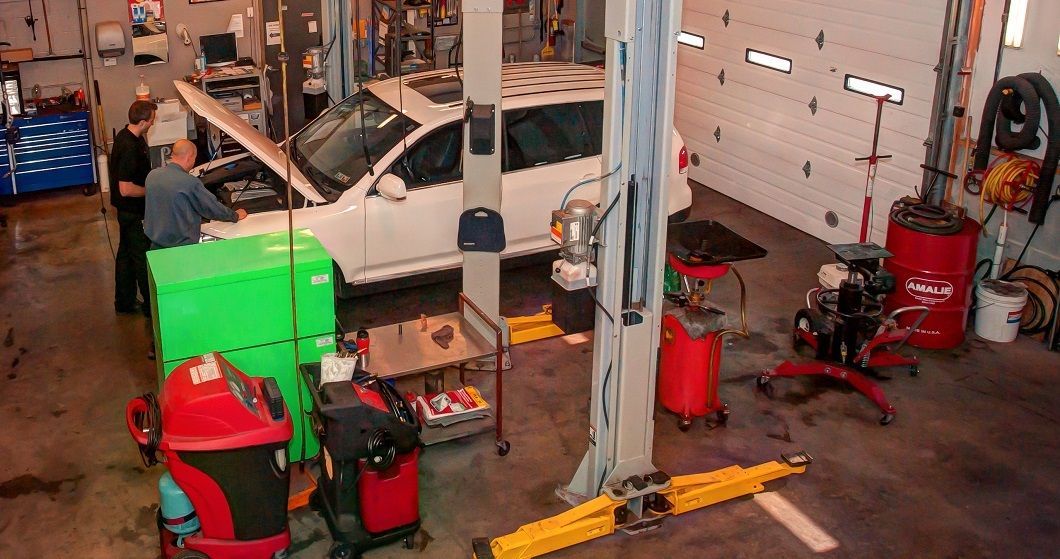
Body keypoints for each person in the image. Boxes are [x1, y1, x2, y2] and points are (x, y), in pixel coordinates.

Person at [145, 139, 247, 249]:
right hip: (181, 249)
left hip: (155, 247)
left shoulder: (152, 176)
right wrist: (234, 215)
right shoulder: (189, 182)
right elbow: (211, 208)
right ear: (190, 157)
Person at [111, 100, 156, 315]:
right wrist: (151, 191)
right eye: (151, 120)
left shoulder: (128, 136)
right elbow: (126, 189)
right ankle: (150, 307)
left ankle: (124, 302)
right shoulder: (129, 146)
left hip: (127, 211)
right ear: (143, 121)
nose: (153, 123)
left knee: (126, 257)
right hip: (132, 211)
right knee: (141, 257)